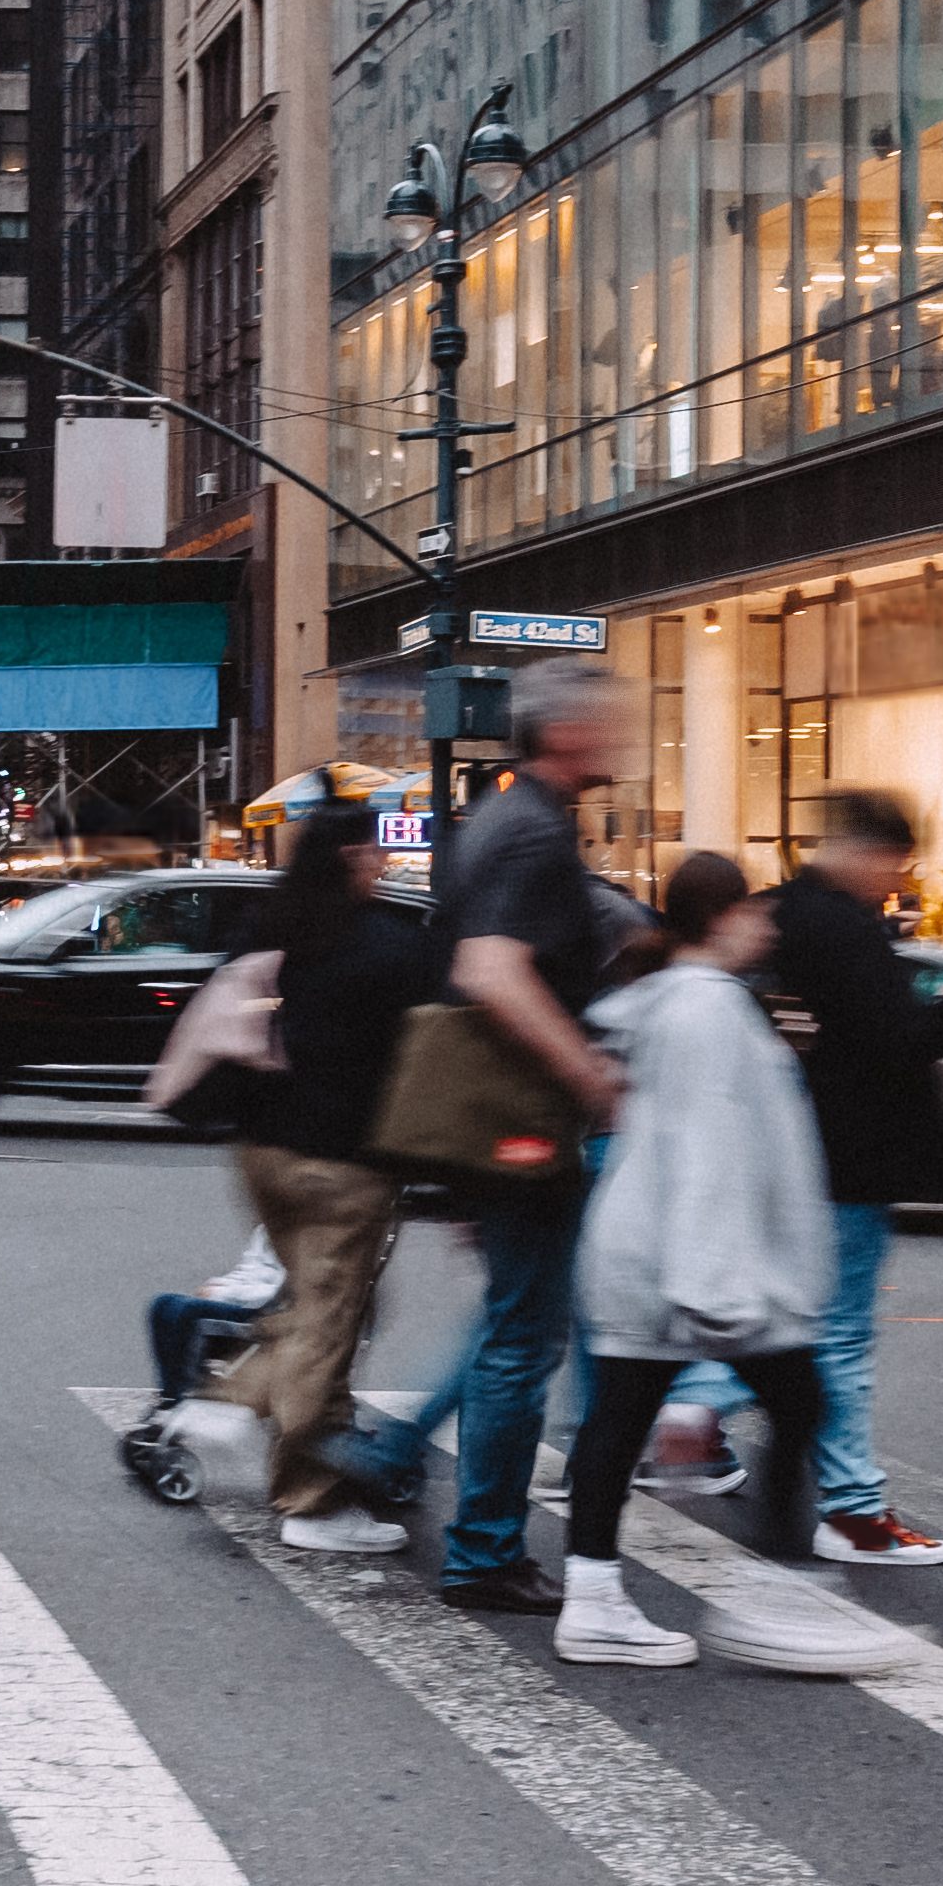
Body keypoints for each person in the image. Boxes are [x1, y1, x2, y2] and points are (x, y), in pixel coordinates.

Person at [336, 660, 643, 1615]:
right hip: (519, 1116)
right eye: (612, 720)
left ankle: (419, 1482)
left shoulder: (506, 820)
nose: (625, 734)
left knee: (519, 1322)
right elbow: (492, 968)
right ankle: (482, 1550)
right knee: (524, 1335)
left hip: (499, 1118)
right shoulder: (530, 831)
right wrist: (591, 1075)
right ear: (567, 734)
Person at [550, 849, 858, 1672]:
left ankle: (596, 1600)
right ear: (725, 918)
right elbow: (709, 1151)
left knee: (616, 1425)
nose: (766, 927)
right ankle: (779, 1599)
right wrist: (718, 1288)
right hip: (694, 1264)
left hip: (652, 1254)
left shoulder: (668, 1002)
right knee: (799, 1407)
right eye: (756, 911)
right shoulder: (709, 1011)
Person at [215, 794, 449, 1556]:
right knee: (331, 1323)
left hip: (261, 1152)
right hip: (343, 1164)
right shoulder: (390, 944)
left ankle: (228, 1401)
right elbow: (426, 1055)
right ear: (354, 857)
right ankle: (309, 1500)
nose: (384, 862)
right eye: (376, 852)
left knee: (318, 1308)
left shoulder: (266, 926)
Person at [763, 793, 943, 1571]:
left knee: (777, 1320)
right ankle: (851, 1510)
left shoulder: (776, 912)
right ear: (865, 850)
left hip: (794, 1154)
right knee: (837, 1332)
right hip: (846, 1155)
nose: (896, 879)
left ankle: (700, 1425)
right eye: (895, 862)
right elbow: (890, 1038)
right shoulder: (842, 928)